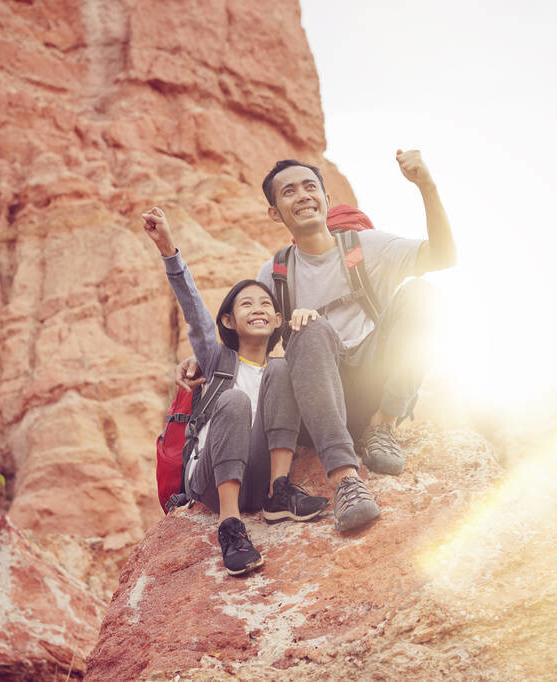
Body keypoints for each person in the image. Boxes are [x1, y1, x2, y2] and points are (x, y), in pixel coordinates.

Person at [256, 148, 456, 532]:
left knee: (423, 294)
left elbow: (444, 256)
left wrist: (426, 187)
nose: (303, 196)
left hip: (371, 385)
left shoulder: (366, 247)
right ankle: (346, 481)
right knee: (309, 329)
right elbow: (253, 351)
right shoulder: (275, 272)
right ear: (275, 212)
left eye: (310, 187)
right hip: (318, 404)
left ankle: (383, 426)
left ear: (326, 200)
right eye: (289, 192)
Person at [142, 206, 328, 576]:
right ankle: (230, 527)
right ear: (228, 319)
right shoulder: (215, 360)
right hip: (211, 479)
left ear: (277, 320)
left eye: (265, 305)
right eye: (246, 304)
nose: (257, 309)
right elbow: (194, 312)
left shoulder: (283, 371)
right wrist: (168, 250)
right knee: (234, 399)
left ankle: (280, 491)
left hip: (257, 476)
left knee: (280, 366)